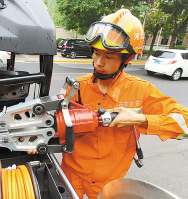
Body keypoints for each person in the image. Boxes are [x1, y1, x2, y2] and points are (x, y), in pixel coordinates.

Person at [29, 8, 188, 199]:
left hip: (110, 183)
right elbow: (53, 124)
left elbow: (184, 125)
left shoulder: (142, 91)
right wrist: (37, 140)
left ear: (127, 58)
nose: (98, 62)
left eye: (109, 56)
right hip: (71, 176)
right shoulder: (76, 88)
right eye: (96, 53)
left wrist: (140, 119)